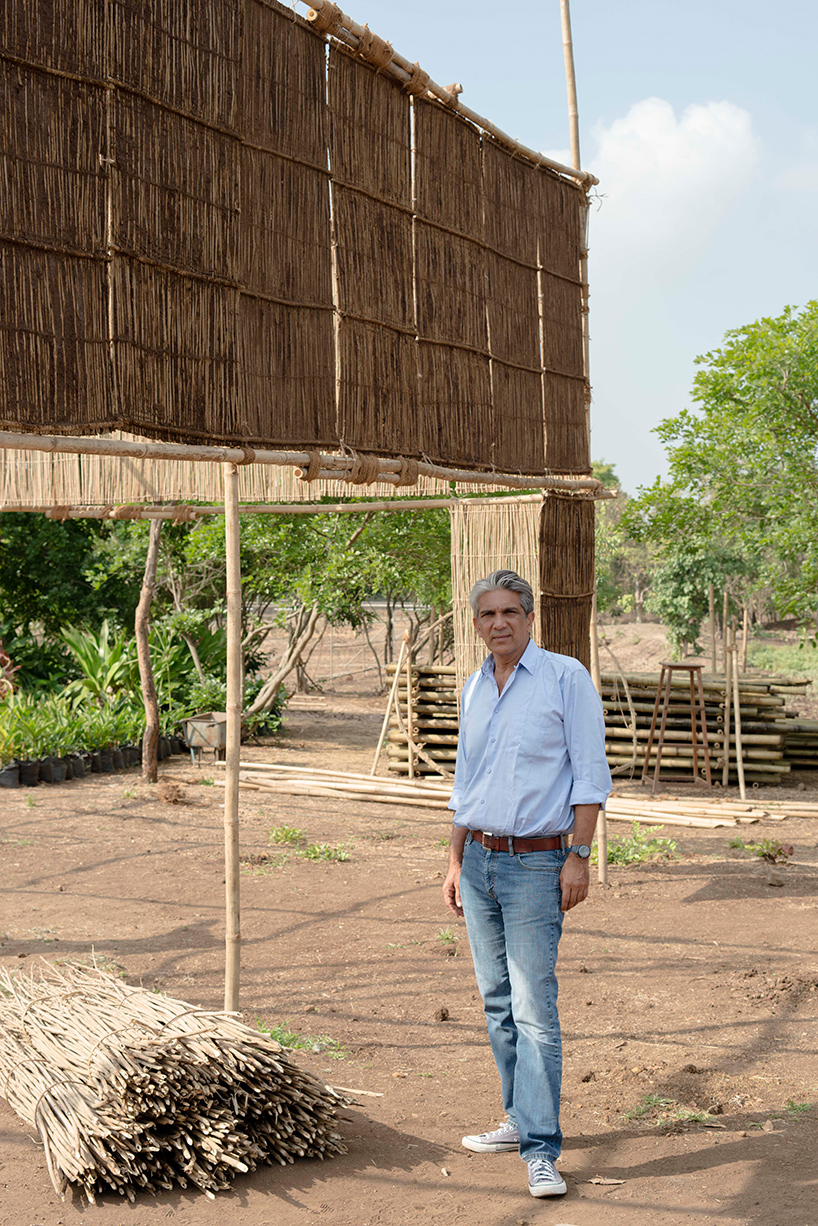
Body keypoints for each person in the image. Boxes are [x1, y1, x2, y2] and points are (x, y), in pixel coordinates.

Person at [442, 569, 611, 1199]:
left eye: (510, 612)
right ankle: (517, 1118)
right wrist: (454, 860)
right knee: (496, 1000)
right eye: (487, 614)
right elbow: (467, 782)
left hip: (539, 864)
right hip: (479, 862)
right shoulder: (474, 687)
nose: (499, 623)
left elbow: (590, 775)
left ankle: (542, 1150)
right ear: (477, 623)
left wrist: (579, 856)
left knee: (534, 1007)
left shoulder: (566, 678)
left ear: (530, 618)